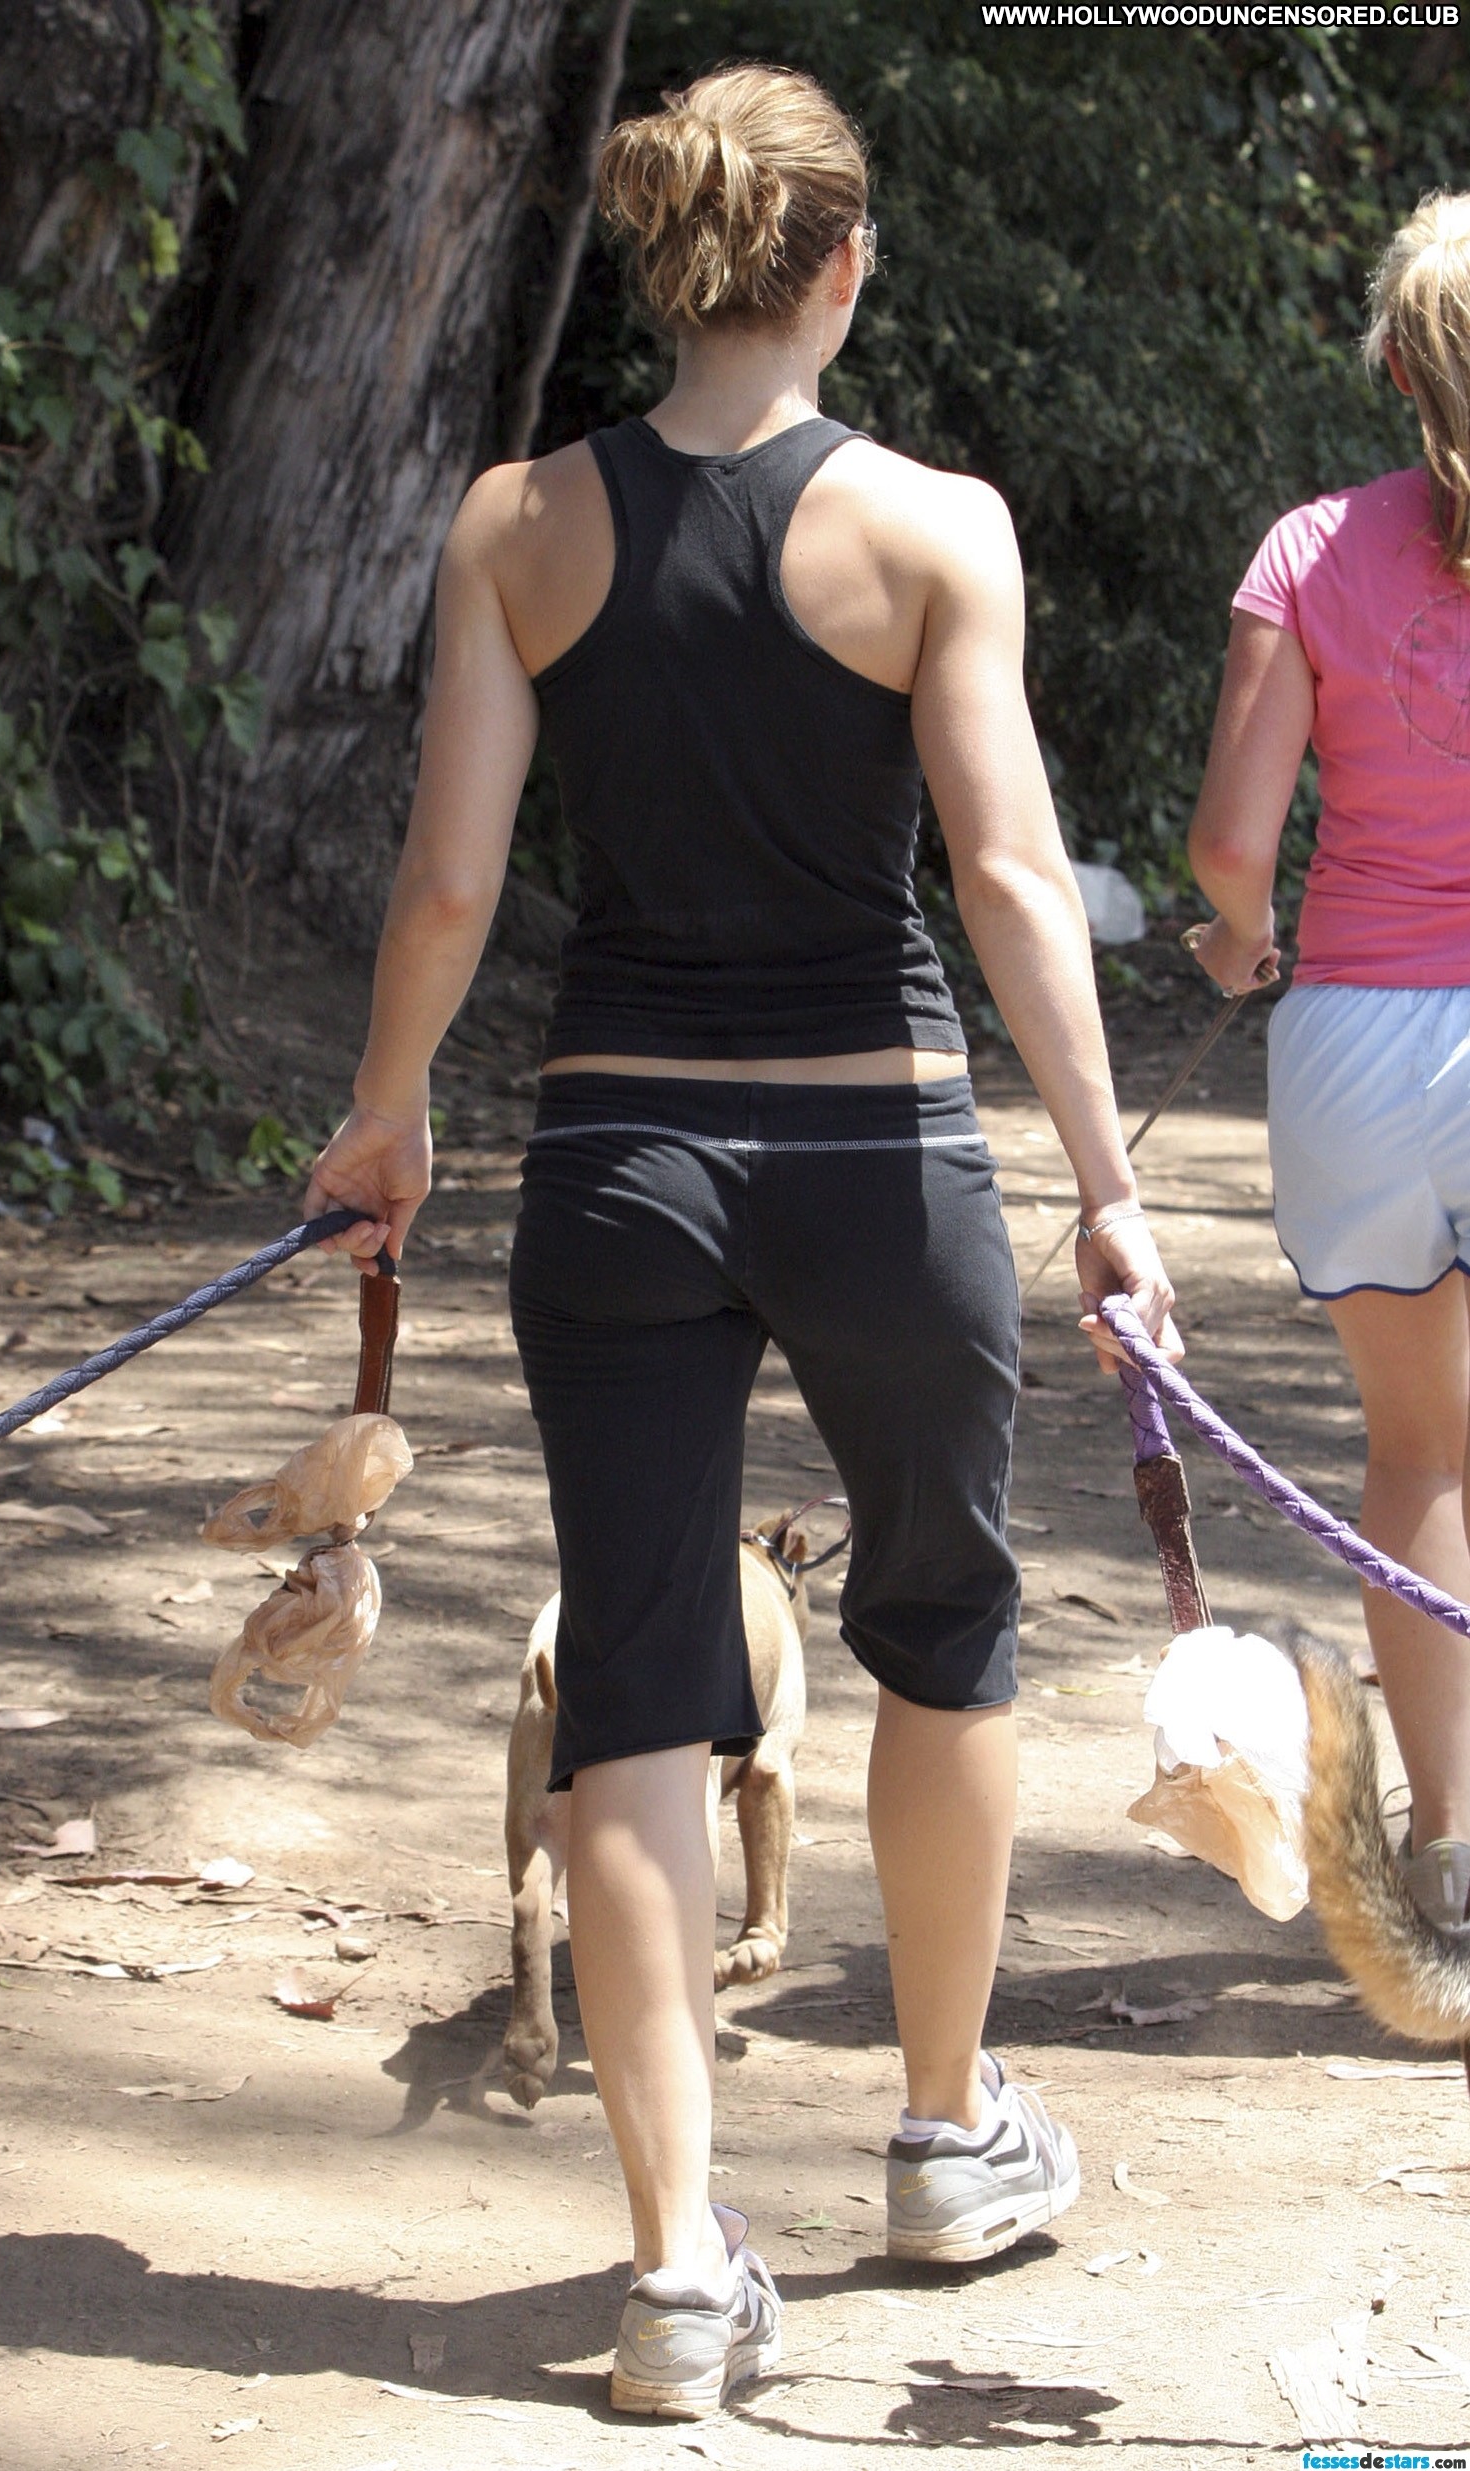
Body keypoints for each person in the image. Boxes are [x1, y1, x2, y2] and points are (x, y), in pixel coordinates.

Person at [305, 63, 1179, 2420]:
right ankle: (940, 2140)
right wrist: (1104, 1188)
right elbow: (1006, 876)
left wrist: (385, 1113)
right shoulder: (934, 530)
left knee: (639, 1694)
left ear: (658, 256)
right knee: (942, 1634)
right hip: (879, 1157)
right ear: (844, 265)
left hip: (617, 1163)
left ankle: (676, 2271)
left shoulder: (516, 526)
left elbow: (452, 882)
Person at [1187, 190, 1470, 1941]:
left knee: (1420, 1456)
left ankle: (1451, 1851)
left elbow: (1232, 844)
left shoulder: (1307, 551)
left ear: (1393, 367)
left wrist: (1240, 937)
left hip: (1358, 1033)